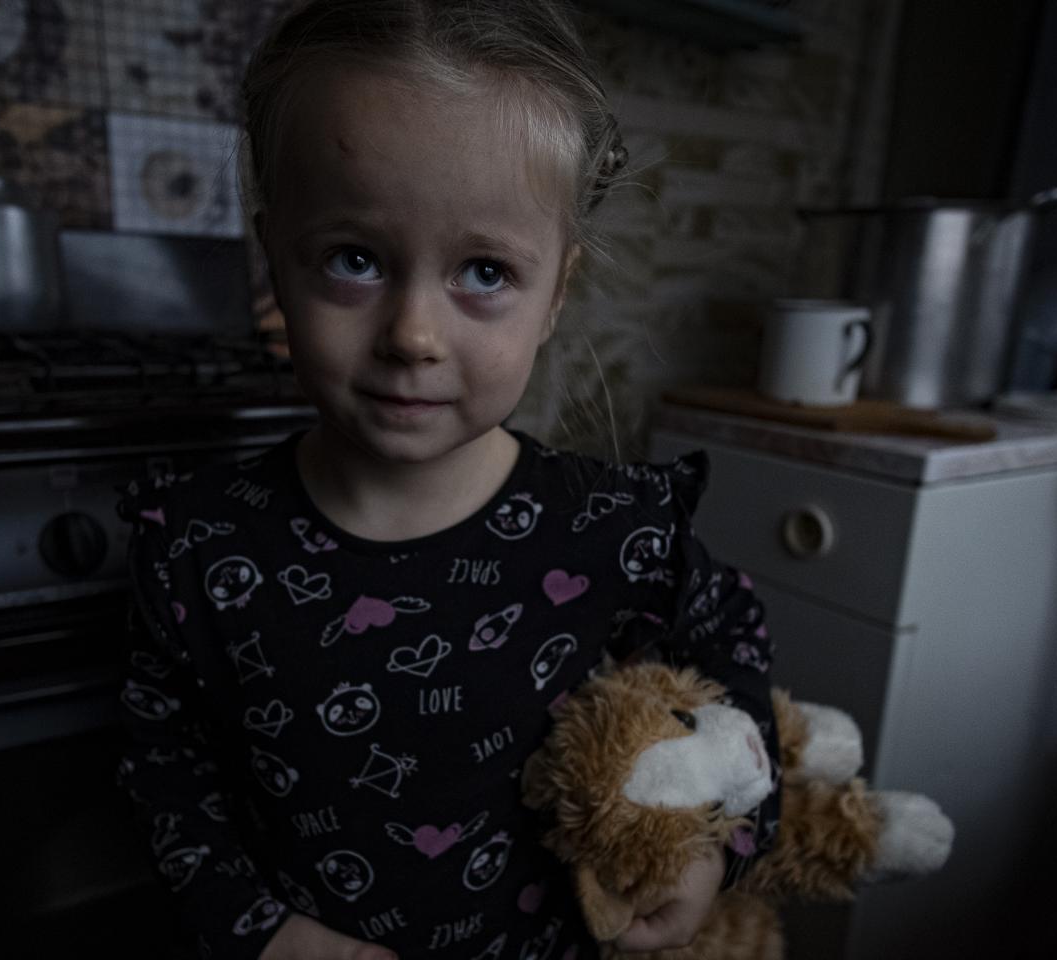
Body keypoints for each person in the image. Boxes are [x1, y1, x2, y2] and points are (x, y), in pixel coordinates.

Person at [115, 2, 779, 957]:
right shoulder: (198, 550)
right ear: (276, 260)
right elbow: (162, 778)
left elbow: (738, 673)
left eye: (483, 271)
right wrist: (257, 931)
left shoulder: (616, 529)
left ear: (555, 293)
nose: (413, 336)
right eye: (354, 260)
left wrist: (719, 848)